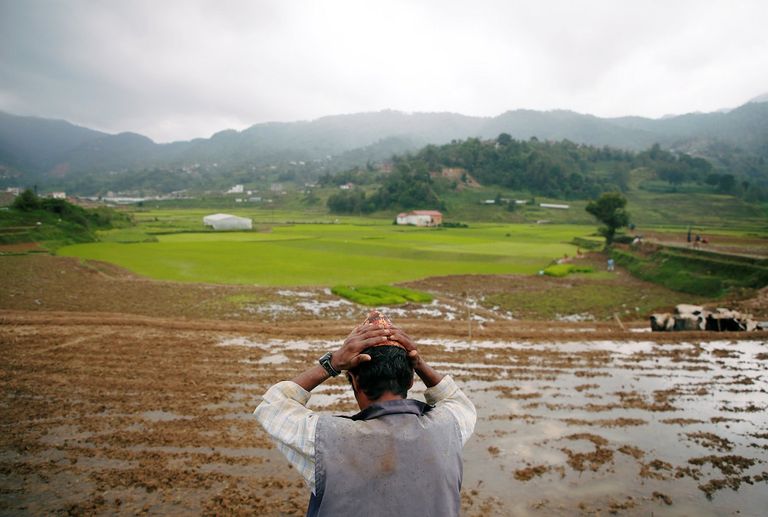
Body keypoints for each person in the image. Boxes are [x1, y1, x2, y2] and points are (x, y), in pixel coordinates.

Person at [254, 314, 476, 517]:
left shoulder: (328, 440)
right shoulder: (448, 430)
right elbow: (457, 402)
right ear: (410, 380)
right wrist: (418, 363)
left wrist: (332, 363)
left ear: (355, 380)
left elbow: (273, 406)